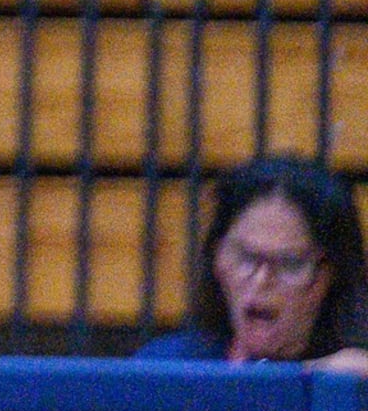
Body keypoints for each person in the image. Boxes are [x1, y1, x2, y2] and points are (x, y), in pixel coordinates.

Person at [142, 157, 367, 372]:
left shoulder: (356, 379)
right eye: (246, 257)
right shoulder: (163, 368)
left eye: (289, 263)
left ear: (329, 275)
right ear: (217, 258)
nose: (261, 280)